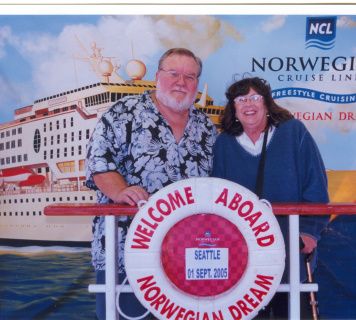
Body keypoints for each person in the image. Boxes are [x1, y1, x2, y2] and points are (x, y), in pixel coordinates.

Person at [85, 48, 219, 320]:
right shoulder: (123, 112)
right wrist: (120, 191)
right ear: (157, 76)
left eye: (190, 76)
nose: (181, 81)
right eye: (173, 74)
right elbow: (99, 163)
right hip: (126, 251)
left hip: (189, 255)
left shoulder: (207, 126)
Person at [212, 76, 330, 319]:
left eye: (255, 97)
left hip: (290, 249)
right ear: (233, 108)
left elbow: (316, 185)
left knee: (293, 311)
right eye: (241, 99)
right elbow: (217, 199)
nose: (249, 104)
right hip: (242, 255)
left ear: (267, 103)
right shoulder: (223, 143)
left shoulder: (293, 132)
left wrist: (309, 231)